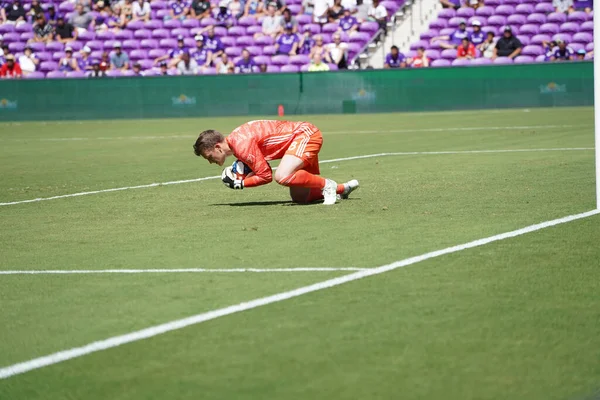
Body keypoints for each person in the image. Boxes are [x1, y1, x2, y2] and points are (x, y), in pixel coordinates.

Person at [193, 121, 360, 205]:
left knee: (282, 176)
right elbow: (261, 168)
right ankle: (342, 189)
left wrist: (241, 183)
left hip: (305, 135)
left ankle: (328, 185)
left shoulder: (241, 145)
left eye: (209, 156)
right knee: (300, 197)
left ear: (217, 147)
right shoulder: (237, 143)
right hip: (298, 139)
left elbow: (266, 176)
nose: (210, 162)